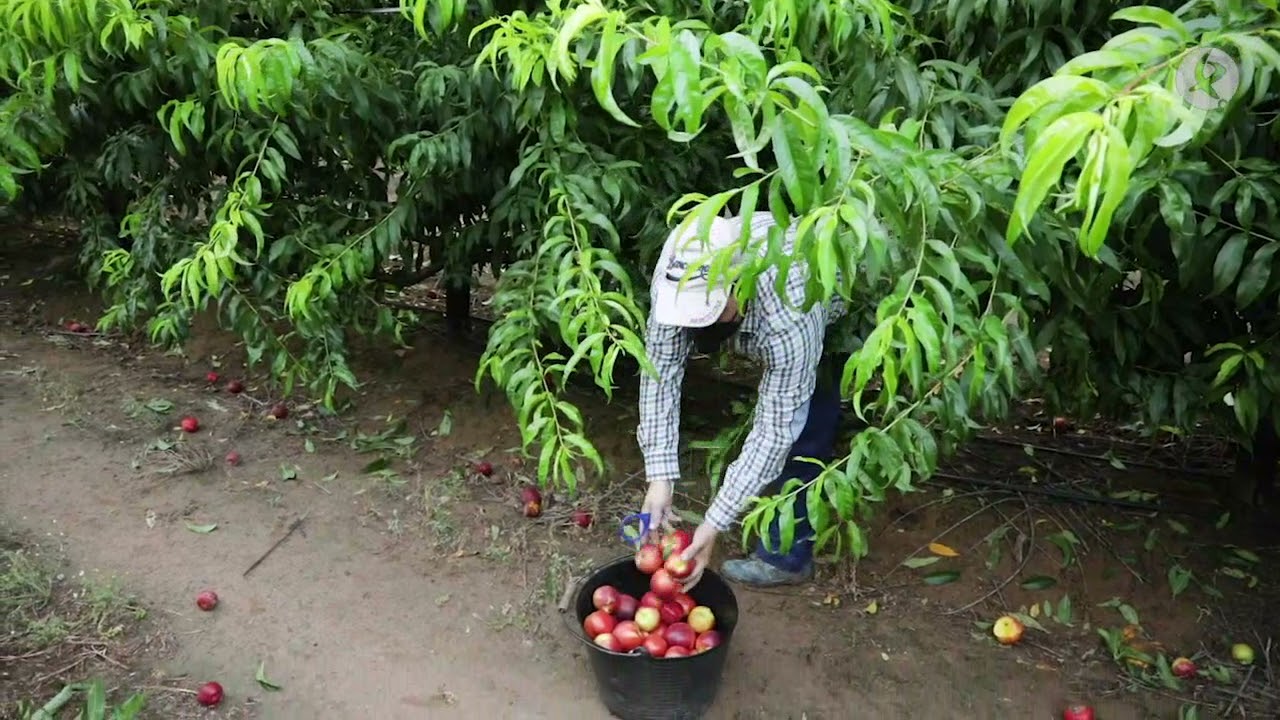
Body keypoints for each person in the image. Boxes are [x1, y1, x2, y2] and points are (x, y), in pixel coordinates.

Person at [636, 211, 846, 589]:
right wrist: (659, 477)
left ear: (740, 286)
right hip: (768, 313)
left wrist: (714, 523)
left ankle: (788, 556)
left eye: (709, 316)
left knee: (805, 429)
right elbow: (659, 375)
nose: (693, 327)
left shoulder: (791, 302)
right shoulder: (677, 273)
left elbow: (775, 429)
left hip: (835, 301)